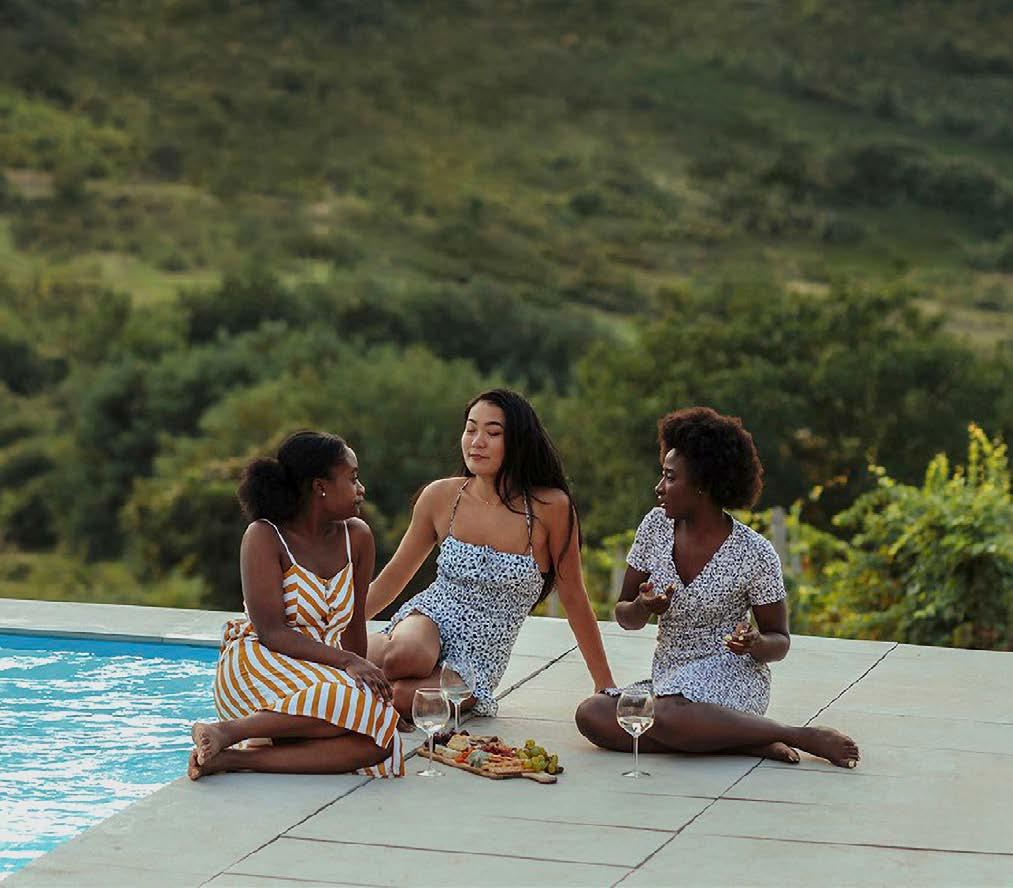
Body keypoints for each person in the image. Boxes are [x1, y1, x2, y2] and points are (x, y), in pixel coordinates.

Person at [575, 407, 860, 768]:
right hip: (669, 679)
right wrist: (644, 607)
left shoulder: (754, 552)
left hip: (731, 677)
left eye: (670, 477)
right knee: (593, 714)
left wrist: (754, 643)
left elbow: (780, 641)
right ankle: (742, 741)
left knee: (667, 715)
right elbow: (624, 615)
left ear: (703, 485)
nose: (659, 488)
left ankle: (798, 735)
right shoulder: (654, 527)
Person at [365, 388, 616, 718]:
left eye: (493, 433)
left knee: (405, 700)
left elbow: (574, 598)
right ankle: (335, 653)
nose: (477, 441)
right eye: (471, 429)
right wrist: (334, 626)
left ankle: (347, 676)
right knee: (406, 655)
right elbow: (393, 578)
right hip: (429, 621)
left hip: (479, 656)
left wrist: (604, 684)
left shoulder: (550, 507)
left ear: (518, 442)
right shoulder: (441, 496)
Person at [188, 431, 403, 780]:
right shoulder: (264, 536)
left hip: (323, 668)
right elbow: (272, 632)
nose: (361, 488)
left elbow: (354, 627)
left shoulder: (358, 537)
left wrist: (369, 683)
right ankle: (233, 730)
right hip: (261, 659)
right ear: (320, 487)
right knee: (360, 710)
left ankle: (231, 759)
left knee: (382, 739)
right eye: (352, 478)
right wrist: (349, 664)